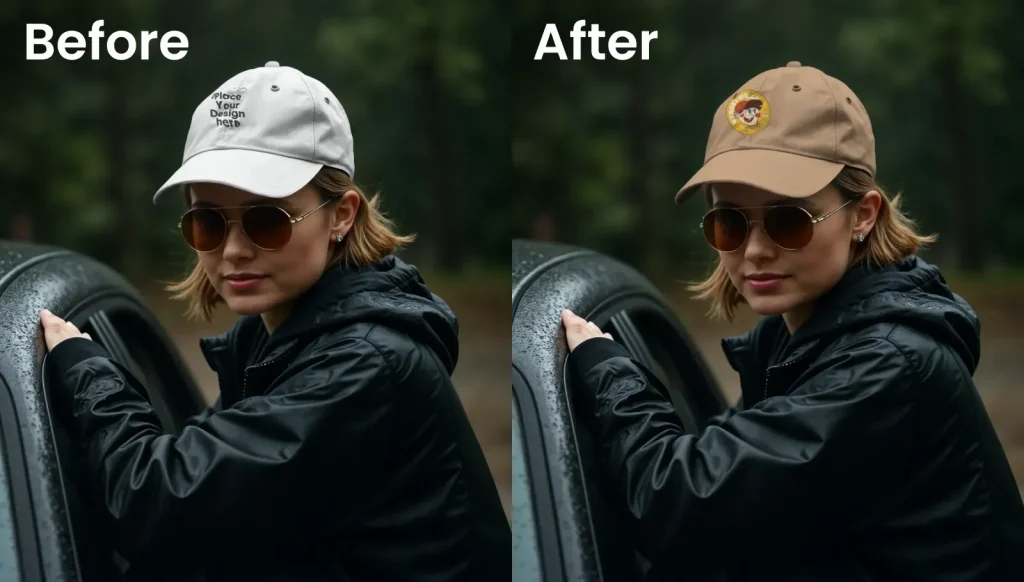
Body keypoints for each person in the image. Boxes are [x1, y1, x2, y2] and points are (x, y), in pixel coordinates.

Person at [39, 61, 510, 581]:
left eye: (267, 220)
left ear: (342, 214)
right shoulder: (272, 336)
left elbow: (159, 500)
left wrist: (86, 370)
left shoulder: (364, 366)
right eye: (207, 222)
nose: (233, 250)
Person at [561, 61, 1024, 581]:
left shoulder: (885, 366)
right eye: (729, 222)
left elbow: (681, 501)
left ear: (863, 215)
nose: (755, 250)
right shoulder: (795, 337)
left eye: (788, 220)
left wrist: (610, 371)